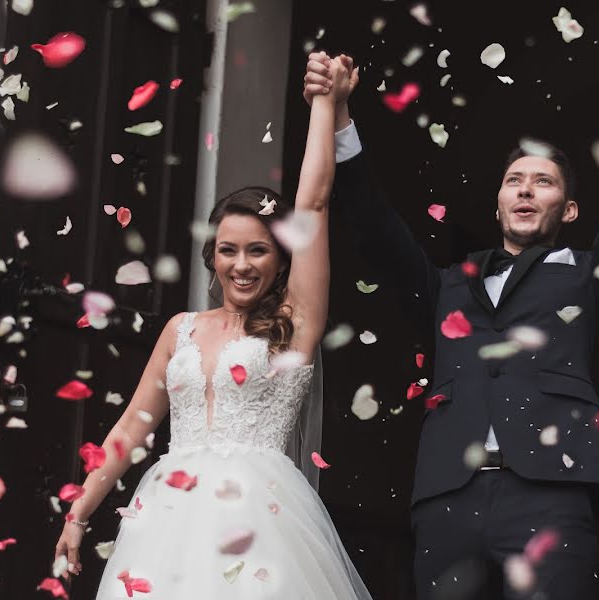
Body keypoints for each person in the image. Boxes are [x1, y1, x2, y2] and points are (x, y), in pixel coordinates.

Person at [303, 1, 599, 598]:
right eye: (515, 180)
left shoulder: (588, 277)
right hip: (447, 499)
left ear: (570, 209)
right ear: (499, 204)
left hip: (550, 497)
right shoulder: (447, 285)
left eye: (544, 181)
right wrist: (340, 113)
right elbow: (378, 230)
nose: (527, 189)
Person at [53, 57, 373, 599]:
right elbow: (132, 427)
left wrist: (325, 101)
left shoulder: (294, 325)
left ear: (279, 259)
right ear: (212, 257)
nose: (241, 264)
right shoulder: (181, 329)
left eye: (258, 250)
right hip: (168, 518)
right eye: (228, 250)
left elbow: (312, 202)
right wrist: (80, 511)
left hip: (260, 519)